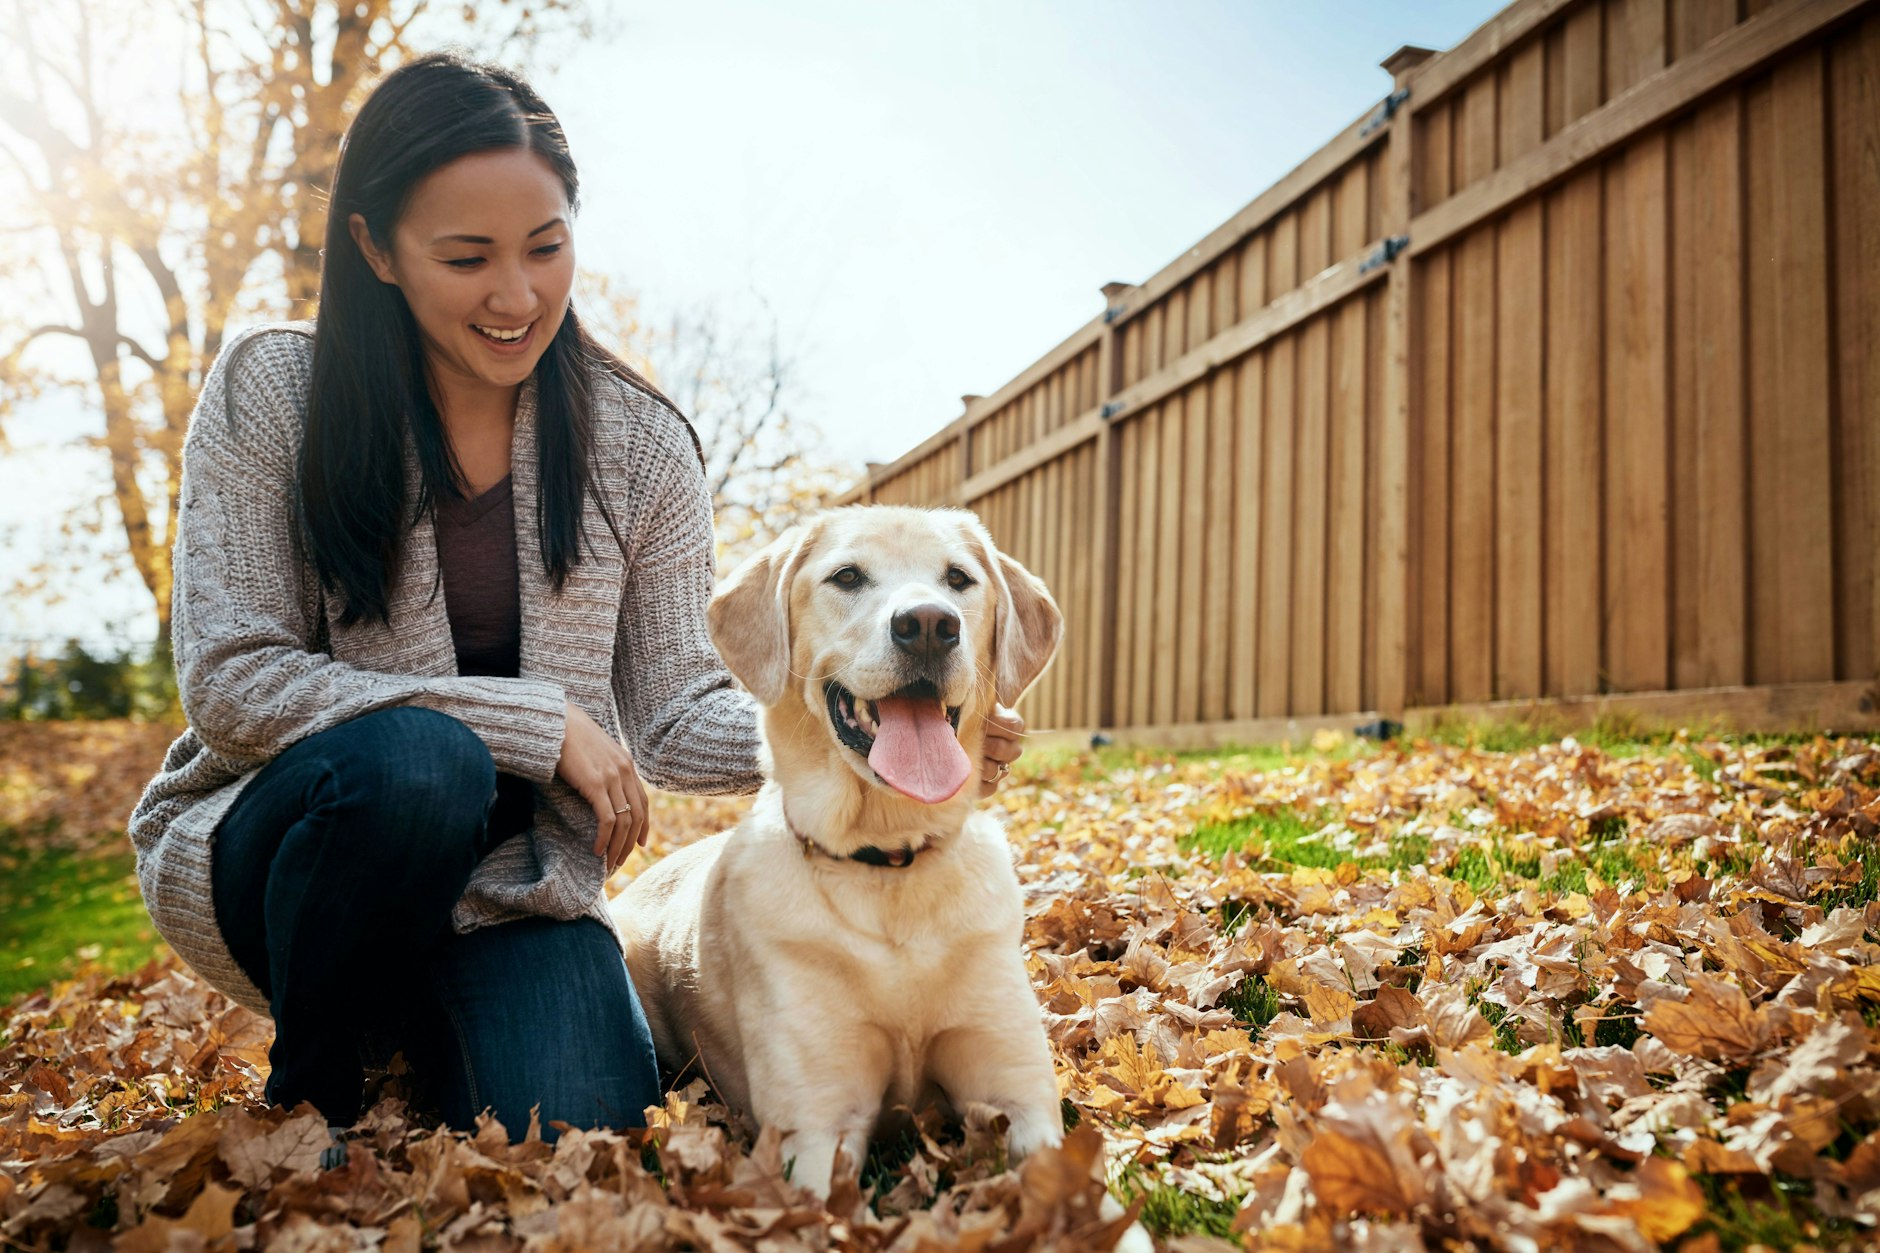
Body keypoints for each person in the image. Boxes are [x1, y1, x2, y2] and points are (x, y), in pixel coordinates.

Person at [128, 50, 1027, 1143]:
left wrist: (872, 722)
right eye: (467, 258)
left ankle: (428, 1021)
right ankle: (316, 1082)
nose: (517, 295)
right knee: (425, 762)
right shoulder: (275, 389)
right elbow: (233, 680)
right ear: (374, 247)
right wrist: (536, 722)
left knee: (586, 1124)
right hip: (296, 850)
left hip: (516, 885)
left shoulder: (640, 447)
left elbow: (674, 707)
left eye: (545, 247)